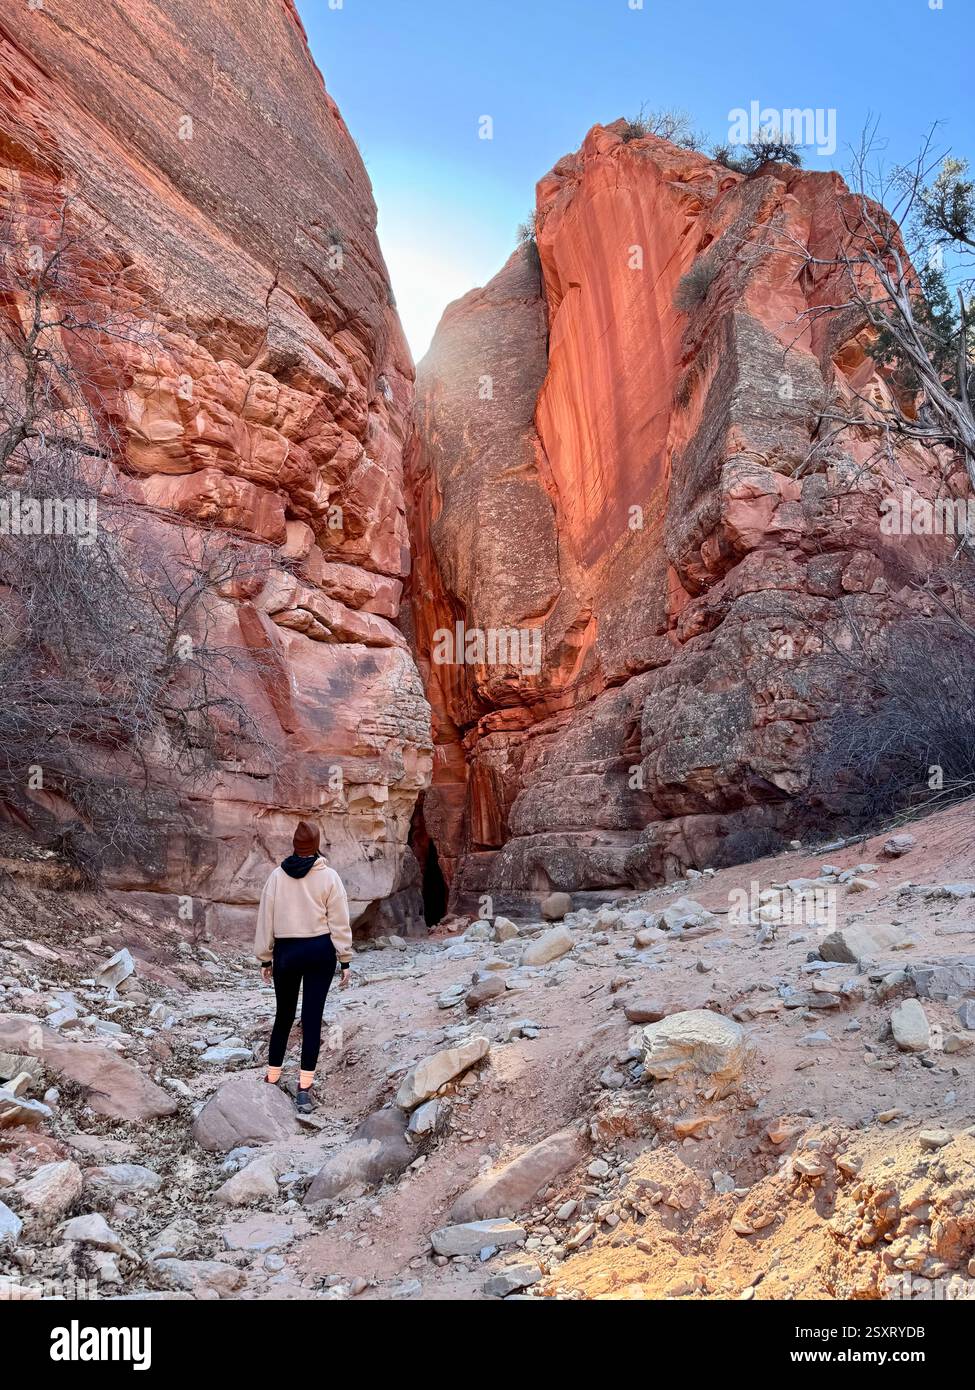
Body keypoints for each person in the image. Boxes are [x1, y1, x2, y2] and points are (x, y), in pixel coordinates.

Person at [254, 819, 352, 1113]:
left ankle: (272, 1078)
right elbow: (339, 920)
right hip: (319, 952)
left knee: (283, 1016)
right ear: (316, 845)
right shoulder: (330, 877)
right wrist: (345, 958)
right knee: (312, 1019)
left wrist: (265, 957)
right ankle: (304, 1089)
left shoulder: (276, 877)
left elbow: (265, 919)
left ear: (295, 846)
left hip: (287, 953)